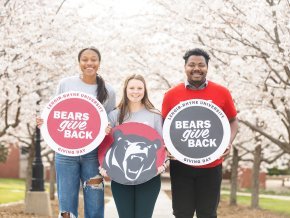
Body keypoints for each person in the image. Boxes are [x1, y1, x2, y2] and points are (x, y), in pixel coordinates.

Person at [37, 47, 116, 218]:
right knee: (66, 205)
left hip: (93, 154)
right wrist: (43, 121)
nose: (89, 63)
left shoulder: (109, 90)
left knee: (95, 204)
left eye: (93, 59)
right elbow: (55, 112)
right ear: (79, 62)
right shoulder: (66, 84)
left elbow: (110, 119)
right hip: (65, 154)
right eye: (85, 59)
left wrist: (108, 128)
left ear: (99, 63)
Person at [161, 48, 239, 218]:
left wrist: (228, 141)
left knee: (208, 213)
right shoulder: (171, 95)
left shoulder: (222, 92)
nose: (196, 68)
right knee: (182, 213)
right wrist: (166, 146)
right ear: (185, 67)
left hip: (212, 165)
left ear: (207, 67)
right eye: (192, 65)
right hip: (181, 165)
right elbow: (164, 126)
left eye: (201, 65)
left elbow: (233, 121)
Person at [100, 74, 166, 218]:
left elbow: (162, 145)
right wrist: (103, 166)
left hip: (150, 178)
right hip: (120, 179)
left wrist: (162, 164)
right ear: (125, 90)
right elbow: (106, 145)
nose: (135, 91)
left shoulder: (154, 115)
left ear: (145, 91)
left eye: (139, 88)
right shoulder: (114, 115)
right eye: (132, 88)